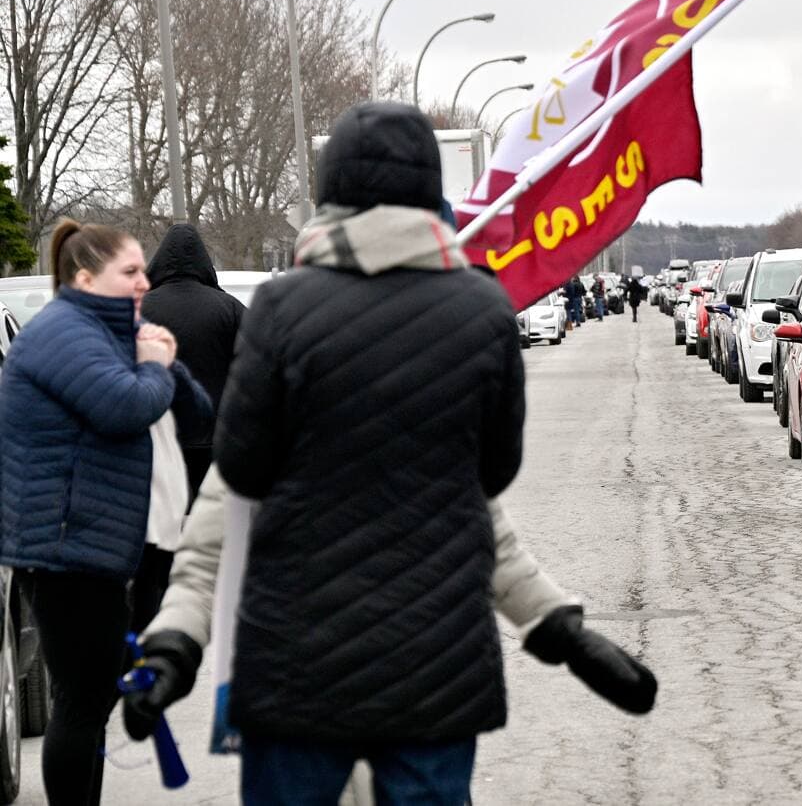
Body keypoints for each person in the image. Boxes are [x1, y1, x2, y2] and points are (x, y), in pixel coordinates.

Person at [213, 101, 526, 805]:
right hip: (438, 645)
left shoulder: (281, 307)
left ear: (333, 190)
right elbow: (495, 469)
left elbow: (241, 465)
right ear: (426, 188)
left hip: (299, 644)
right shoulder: (483, 309)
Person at [123, 469, 657, 756]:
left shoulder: (431, 419)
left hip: (416, 708)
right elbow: (207, 561)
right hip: (304, 719)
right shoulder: (265, 423)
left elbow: (492, 546)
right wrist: (173, 646)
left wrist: (563, 631)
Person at [0, 219, 210, 806]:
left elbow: (195, 414)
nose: (146, 281)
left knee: (95, 696)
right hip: (68, 546)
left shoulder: (117, 332)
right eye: (131, 271)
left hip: (112, 545)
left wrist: (163, 360)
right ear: (87, 278)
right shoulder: (61, 335)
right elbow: (124, 407)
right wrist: (153, 367)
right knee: (80, 702)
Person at [138, 224, 244, 498]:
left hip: (155, 438)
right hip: (217, 439)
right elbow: (254, 369)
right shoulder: (230, 309)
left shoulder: (139, 309)